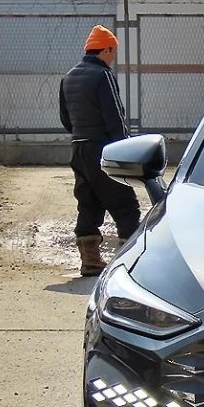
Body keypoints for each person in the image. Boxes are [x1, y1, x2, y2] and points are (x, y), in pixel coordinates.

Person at [58, 24, 139, 276]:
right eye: (113, 52)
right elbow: (115, 117)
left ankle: (90, 260)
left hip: (78, 149)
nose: (113, 58)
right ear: (105, 50)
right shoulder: (103, 76)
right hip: (102, 149)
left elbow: (66, 119)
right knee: (126, 206)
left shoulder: (68, 77)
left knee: (89, 204)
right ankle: (129, 263)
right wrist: (126, 152)